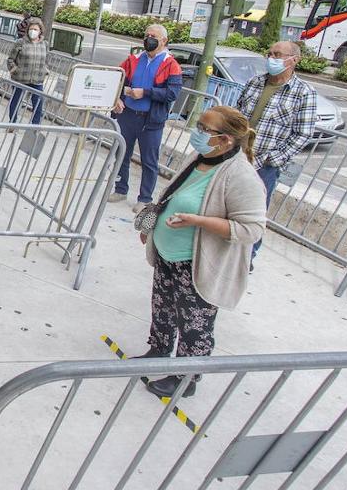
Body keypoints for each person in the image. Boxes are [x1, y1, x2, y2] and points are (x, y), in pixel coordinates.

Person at [135, 106, 266, 398]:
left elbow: (252, 230)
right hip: (169, 255)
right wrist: (152, 228)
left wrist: (198, 222)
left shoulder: (241, 176)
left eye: (205, 129)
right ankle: (158, 349)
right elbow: (171, 196)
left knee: (195, 321)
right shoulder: (200, 158)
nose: (197, 133)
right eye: (199, 125)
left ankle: (186, 377)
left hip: (197, 264)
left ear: (225, 140)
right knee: (163, 307)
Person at [237, 40, 318, 259]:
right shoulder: (255, 82)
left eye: (278, 54)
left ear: (294, 60)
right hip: (236, 156)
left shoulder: (303, 93)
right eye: (270, 53)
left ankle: (248, 255)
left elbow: (303, 134)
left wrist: (272, 159)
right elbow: (237, 113)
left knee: (255, 211)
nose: (272, 58)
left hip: (265, 165)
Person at [110, 24, 182, 208]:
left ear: (164, 41)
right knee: (122, 154)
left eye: (153, 36)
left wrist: (146, 93)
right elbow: (118, 79)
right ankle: (120, 189)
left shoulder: (171, 65)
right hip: (128, 114)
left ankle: (145, 198)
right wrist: (117, 98)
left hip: (150, 120)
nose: (148, 38)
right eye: (147, 35)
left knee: (149, 161)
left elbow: (172, 93)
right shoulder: (133, 59)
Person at [7, 17, 48, 124]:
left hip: (37, 79)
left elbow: (45, 60)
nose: (33, 31)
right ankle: (12, 122)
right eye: (31, 29)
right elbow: (11, 59)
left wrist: (45, 70)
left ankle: (35, 127)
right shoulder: (21, 42)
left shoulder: (44, 44)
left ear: (40, 31)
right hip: (21, 78)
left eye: (35, 29)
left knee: (38, 104)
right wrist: (14, 69)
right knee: (16, 101)